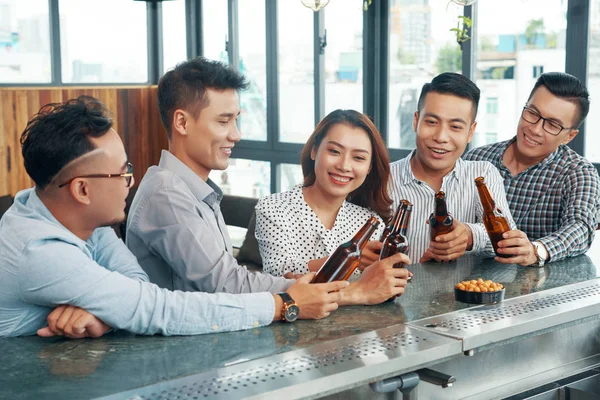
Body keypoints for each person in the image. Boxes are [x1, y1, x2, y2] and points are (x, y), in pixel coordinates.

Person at [0, 96, 351, 338]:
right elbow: (158, 308)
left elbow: (139, 289)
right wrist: (283, 304)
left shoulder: (70, 213)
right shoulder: (41, 252)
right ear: (81, 190)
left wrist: (107, 313)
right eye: (122, 173)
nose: (131, 181)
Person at [126, 57, 408, 307]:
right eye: (224, 122)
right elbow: (227, 285)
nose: (236, 135)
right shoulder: (167, 195)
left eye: (236, 120)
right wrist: (353, 292)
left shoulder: (196, 193)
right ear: (182, 123)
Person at [256, 109, 410, 300]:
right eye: (334, 151)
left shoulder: (371, 222)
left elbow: (379, 285)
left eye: (359, 158)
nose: (344, 166)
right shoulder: (273, 208)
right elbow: (278, 275)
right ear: (314, 150)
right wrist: (350, 260)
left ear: (369, 167)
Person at [464, 72, 600, 266]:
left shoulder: (578, 172)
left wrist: (536, 250)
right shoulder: (476, 159)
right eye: (533, 114)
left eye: (553, 125)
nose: (535, 129)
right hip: (470, 281)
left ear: (569, 136)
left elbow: (581, 228)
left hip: (537, 287)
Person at [388, 72, 516, 264]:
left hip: (466, 293)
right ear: (416, 121)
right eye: (431, 122)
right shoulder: (384, 178)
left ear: (471, 131)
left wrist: (470, 235)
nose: (441, 137)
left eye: (455, 127)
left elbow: (508, 240)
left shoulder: (483, 174)